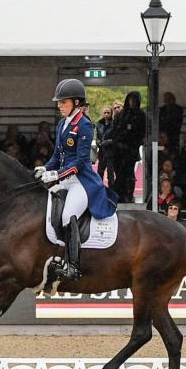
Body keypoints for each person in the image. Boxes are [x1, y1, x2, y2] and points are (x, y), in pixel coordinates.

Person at [35, 79, 117, 285]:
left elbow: (81, 162)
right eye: (59, 102)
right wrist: (46, 168)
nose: (59, 105)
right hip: (65, 178)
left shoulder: (84, 124)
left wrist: (56, 176)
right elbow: (57, 155)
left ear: (76, 102)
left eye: (63, 102)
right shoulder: (63, 123)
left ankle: (73, 267)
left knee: (67, 216)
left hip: (81, 181)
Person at [108, 91, 145, 203]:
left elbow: (141, 133)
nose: (132, 102)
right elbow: (114, 131)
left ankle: (128, 195)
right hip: (118, 149)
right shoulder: (121, 114)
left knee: (128, 173)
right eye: (130, 100)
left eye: (134, 100)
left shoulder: (141, 115)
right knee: (119, 172)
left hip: (131, 149)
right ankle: (119, 194)